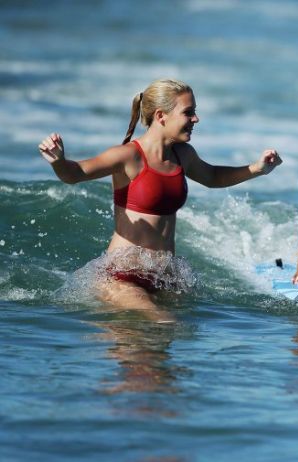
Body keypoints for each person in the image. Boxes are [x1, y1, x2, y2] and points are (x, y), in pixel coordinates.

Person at [39, 79, 282, 317]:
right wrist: (59, 161)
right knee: (166, 323)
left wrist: (257, 168)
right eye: (188, 113)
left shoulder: (182, 155)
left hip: (165, 277)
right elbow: (74, 174)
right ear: (161, 116)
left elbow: (213, 176)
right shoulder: (128, 156)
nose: (195, 119)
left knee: (178, 338)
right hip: (123, 277)